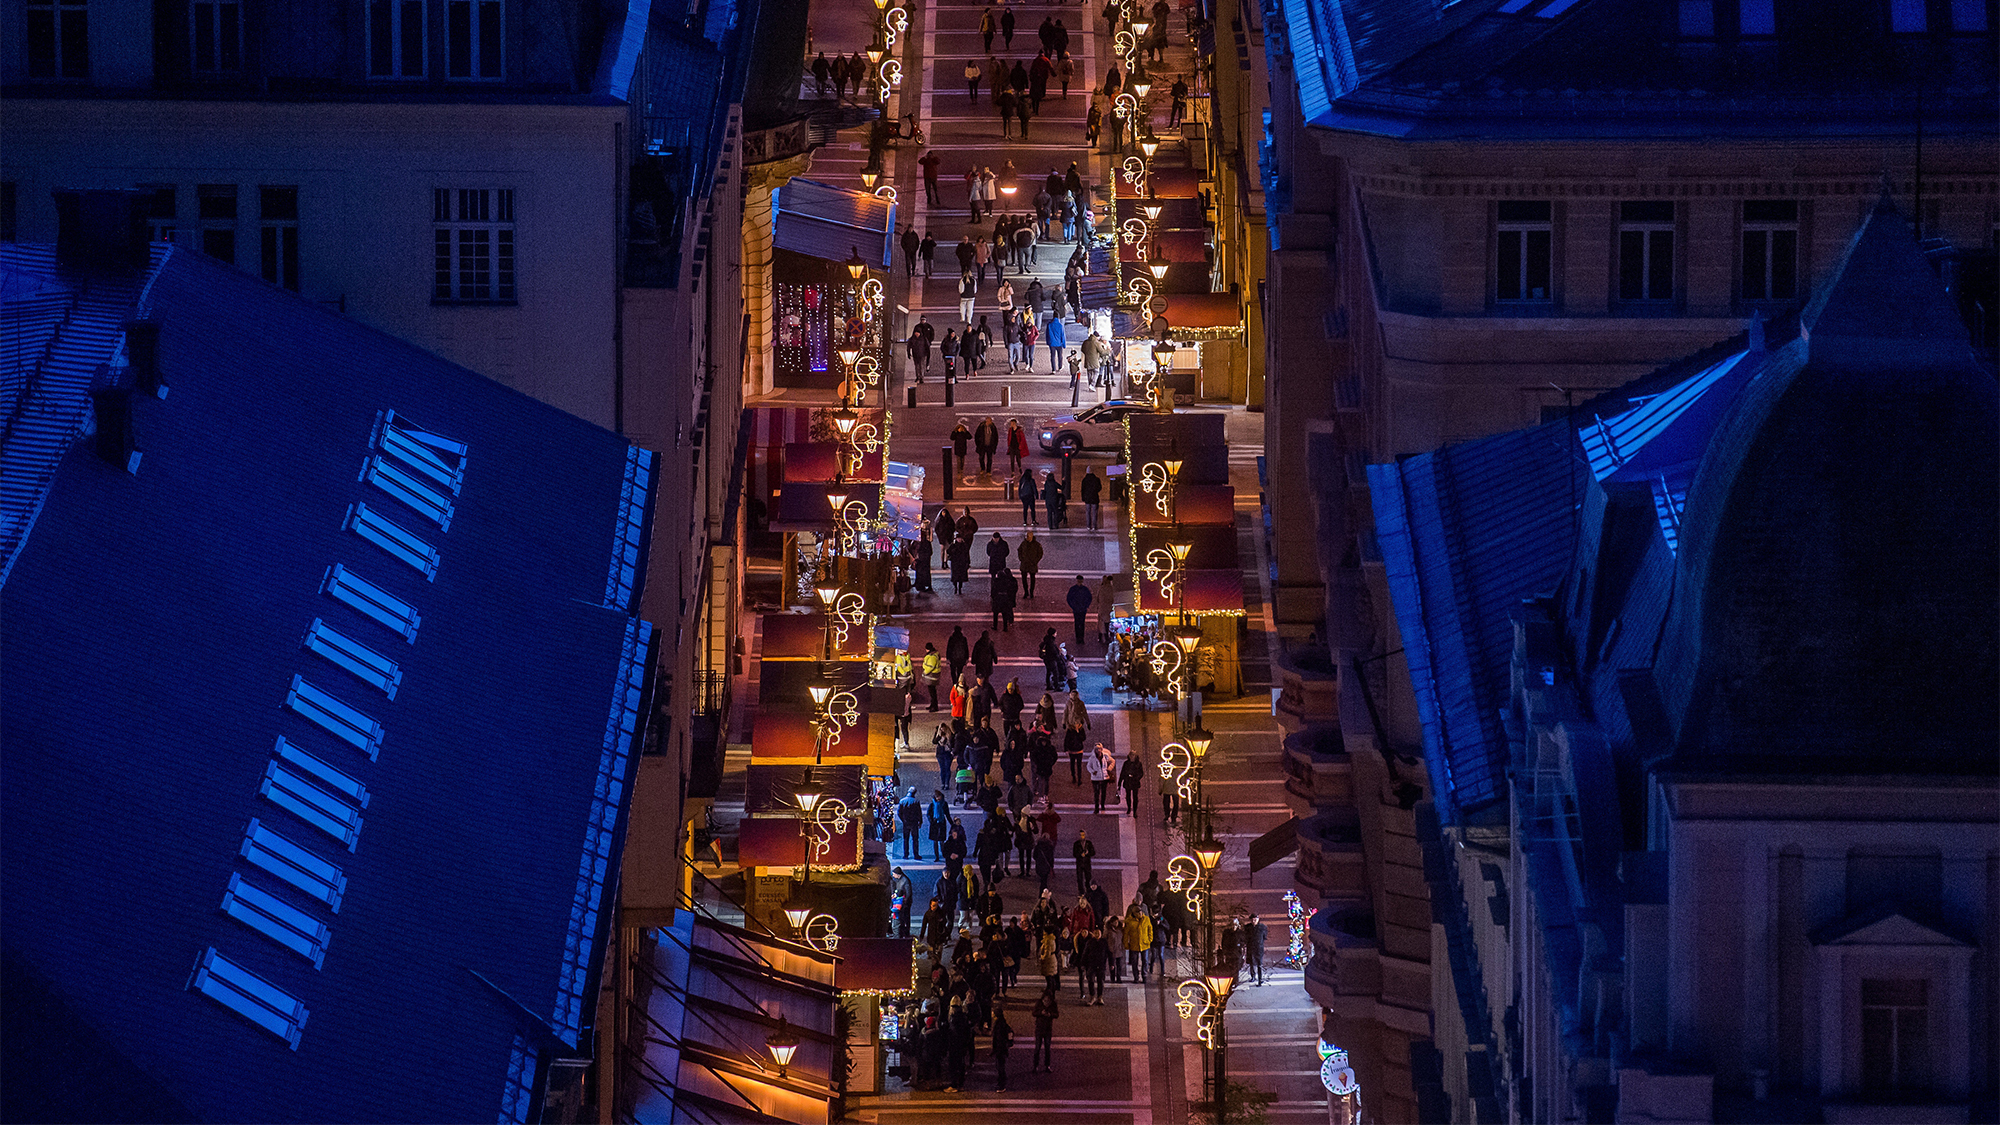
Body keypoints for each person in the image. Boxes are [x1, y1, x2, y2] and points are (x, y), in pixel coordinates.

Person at [1086, 740, 1113, 812]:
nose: (1098, 751)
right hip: (1095, 778)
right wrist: (1092, 771)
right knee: (1096, 793)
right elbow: (1088, 766)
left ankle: (1103, 805)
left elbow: (1112, 761)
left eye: (1100, 749)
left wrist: (1109, 769)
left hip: (1104, 777)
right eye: (1097, 749)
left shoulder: (1105, 756)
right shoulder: (1092, 758)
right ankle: (1096, 807)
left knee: (1103, 792)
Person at [1066, 575, 1093, 646]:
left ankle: (1079, 638)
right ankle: (1080, 638)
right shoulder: (1084, 589)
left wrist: (1073, 606)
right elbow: (1089, 598)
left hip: (1078, 609)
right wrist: (1086, 606)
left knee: (1078, 623)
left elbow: (1069, 599)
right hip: (1081, 609)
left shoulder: (1074, 589)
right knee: (1080, 623)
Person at [992, 565, 1018, 631]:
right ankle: (1005, 627)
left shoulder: (996, 581)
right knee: (1005, 613)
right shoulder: (1008, 581)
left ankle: (995, 626)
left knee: (995, 613)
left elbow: (993, 590)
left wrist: (994, 597)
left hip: (998, 599)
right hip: (1005, 599)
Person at [1118, 749, 1144, 815]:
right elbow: (1122, 773)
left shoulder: (1138, 763)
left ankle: (1135, 811)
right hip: (1128, 781)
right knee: (1128, 796)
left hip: (1135, 782)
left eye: (1133, 755)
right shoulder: (1126, 763)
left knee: (1135, 797)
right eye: (1131, 755)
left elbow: (1141, 773)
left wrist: (1136, 778)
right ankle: (1129, 808)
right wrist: (1120, 782)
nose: (1132, 756)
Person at [1018, 530, 1043, 598]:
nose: (1028, 538)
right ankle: (1026, 592)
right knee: (1024, 579)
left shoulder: (1036, 545)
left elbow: (1040, 554)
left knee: (1032, 579)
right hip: (1025, 564)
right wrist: (1021, 559)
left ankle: (1031, 592)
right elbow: (1019, 551)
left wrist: (1035, 561)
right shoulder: (1024, 543)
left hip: (1032, 564)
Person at [1072, 829, 1095, 894]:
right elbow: (1074, 853)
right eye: (1081, 835)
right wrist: (1080, 854)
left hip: (1087, 863)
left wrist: (1088, 853)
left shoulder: (1089, 843)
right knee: (1079, 878)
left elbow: (1093, 852)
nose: (1082, 836)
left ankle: (1088, 889)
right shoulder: (1076, 844)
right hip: (1079, 863)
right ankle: (1081, 891)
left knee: (1088, 877)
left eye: (1083, 835)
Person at [1248, 914, 1269, 984]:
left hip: (1259, 948)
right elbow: (1246, 937)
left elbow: (1264, 937)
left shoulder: (1262, 927)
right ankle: (1253, 976)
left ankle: (1260, 979)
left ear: (1258, 919)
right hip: (1250, 947)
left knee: (1259, 964)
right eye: (1252, 920)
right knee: (1251, 963)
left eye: (1255, 919)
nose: (1254, 921)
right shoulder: (1248, 927)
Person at [922, 642, 942, 709]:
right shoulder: (935, 654)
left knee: (932, 692)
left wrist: (925, 671)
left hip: (931, 676)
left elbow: (930, 667)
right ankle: (933, 705)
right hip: (934, 675)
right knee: (932, 691)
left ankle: (934, 706)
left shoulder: (931, 656)